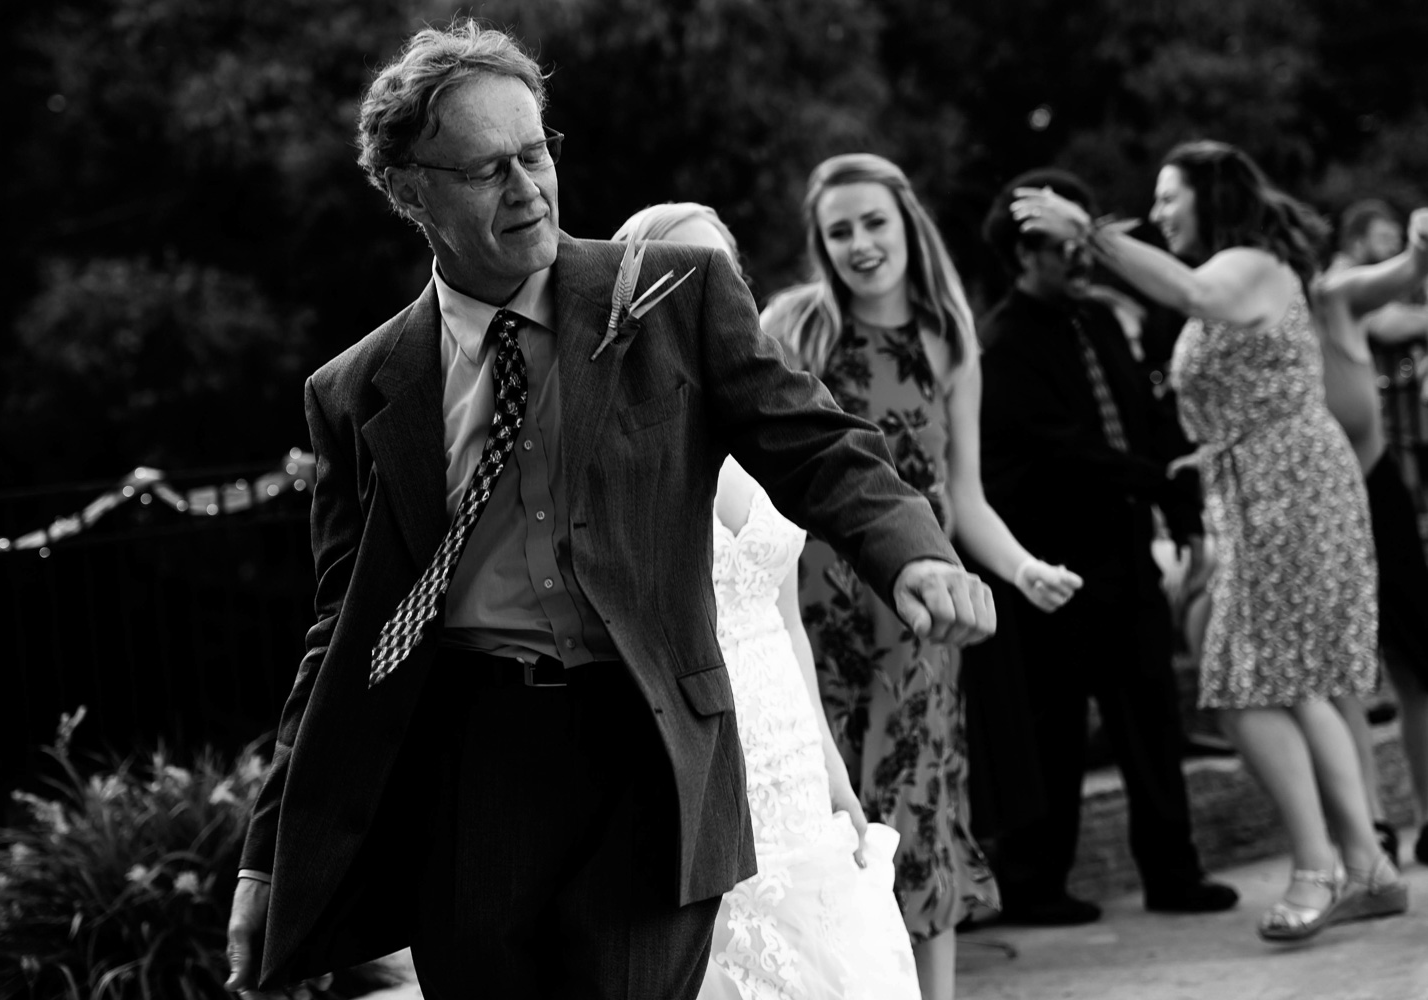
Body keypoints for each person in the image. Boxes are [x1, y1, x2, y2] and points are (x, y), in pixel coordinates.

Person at [222, 22, 996, 1000]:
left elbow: (816, 442)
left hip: (649, 747)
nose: (528, 187)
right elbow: (341, 633)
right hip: (471, 768)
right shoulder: (358, 392)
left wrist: (911, 554)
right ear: (409, 189)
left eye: (536, 150)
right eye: (486, 168)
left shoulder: (673, 297)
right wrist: (265, 857)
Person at [1012, 140, 1407, 942]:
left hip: (1288, 487)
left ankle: (1323, 867)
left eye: (1168, 197)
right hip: (1259, 483)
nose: (1158, 214)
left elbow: (1193, 290)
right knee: (1289, 682)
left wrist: (1086, 231)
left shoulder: (1248, 263)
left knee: (1247, 685)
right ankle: (1365, 865)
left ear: (1212, 195)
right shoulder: (1240, 270)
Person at [761, 153, 1082, 1000]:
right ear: (821, 245)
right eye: (840, 231)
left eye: (874, 222)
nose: (861, 244)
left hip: (921, 621)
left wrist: (1021, 568)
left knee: (920, 820)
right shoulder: (796, 330)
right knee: (835, 829)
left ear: (907, 223)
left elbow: (961, 495)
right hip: (813, 615)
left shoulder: (950, 339)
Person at [616, 201, 921, 999]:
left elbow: (787, 620)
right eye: (674, 274)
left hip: (786, 747)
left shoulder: (763, 425)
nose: (699, 291)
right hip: (696, 753)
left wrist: (833, 773)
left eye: (719, 273)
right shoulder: (621, 443)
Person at [976, 167, 1240, 926]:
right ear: (1026, 255)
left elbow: (1142, 419)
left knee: (1151, 716)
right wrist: (1157, 477)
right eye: (1066, 247)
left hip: (1124, 551)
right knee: (1053, 728)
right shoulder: (1003, 345)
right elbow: (1064, 451)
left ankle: (1173, 872)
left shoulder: (1098, 323)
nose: (1083, 260)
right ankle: (1035, 883)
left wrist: (1179, 507)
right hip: (1055, 563)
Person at [1314, 203, 1428, 868]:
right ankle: (1371, 830)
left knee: (1417, 665)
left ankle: (1423, 817)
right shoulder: (1321, 294)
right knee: (1340, 676)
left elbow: (1400, 277)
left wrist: (1417, 252)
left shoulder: (1338, 295)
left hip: (1379, 494)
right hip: (1317, 506)